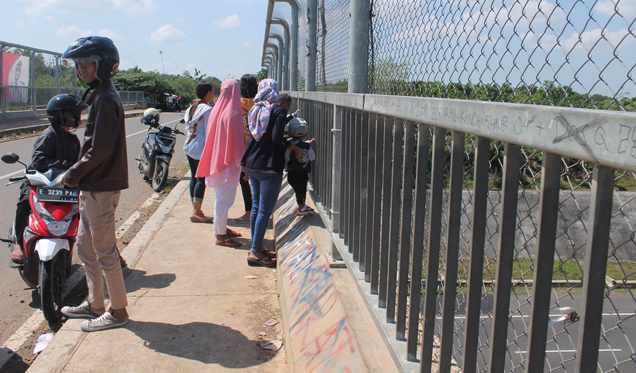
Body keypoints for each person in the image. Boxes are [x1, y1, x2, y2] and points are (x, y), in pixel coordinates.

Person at [59, 36, 129, 332]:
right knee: (86, 249)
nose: (82, 69)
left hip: (100, 188)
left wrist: (71, 174)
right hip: (93, 187)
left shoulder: (105, 97)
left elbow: (98, 150)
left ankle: (118, 311)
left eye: (88, 63)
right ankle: (95, 303)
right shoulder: (99, 95)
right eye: (78, 64)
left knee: (104, 251)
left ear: (103, 65)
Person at [10, 94, 84, 266]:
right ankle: (19, 243)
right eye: (75, 113)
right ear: (64, 115)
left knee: (80, 206)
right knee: (24, 203)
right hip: (41, 182)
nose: (78, 117)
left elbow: (79, 161)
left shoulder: (73, 139)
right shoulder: (48, 136)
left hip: (63, 184)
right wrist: (65, 164)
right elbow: (39, 161)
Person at [241, 79, 306, 267]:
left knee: (256, 207)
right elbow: (277, 139)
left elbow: (253, 138)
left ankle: (257, 247)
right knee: (264, 210)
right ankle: (255, 252)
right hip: (269, 166)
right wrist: (292, 146)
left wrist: (244, 162)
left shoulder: (255, 110)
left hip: (253, 164)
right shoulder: (277, 111)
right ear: (274, 91)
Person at [196, 79, 247, 247]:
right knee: (224, 201)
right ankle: (220, 235)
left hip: (216, 160)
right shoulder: (234, 113)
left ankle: (221, 228)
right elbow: (238, 142)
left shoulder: (216, 109)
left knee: (220, 198)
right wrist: (244, 166)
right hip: (228, 163)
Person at [183, 81, 215, 223]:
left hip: (189, 146)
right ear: (208, 92)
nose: (214, 93)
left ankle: (195, 209)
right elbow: (209, 131)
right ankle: (197, 211)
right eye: (213, 91)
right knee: (201, 179)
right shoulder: (207, 109)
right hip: (200, 148)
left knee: (194, 178)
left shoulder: (192, 107)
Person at [233, 74, 258, 223]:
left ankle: (248, 211)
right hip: (257, 146)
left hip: (241, 147)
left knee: (244, 180)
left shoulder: (237, 103)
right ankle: (258, 210)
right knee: (257, 179)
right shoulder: (259, 102)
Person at [285, 117, 317, 216]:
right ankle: (301, 207)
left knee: (298, 190)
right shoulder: (302, 146)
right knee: (301, 190)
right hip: (300, 173)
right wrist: (315, 147)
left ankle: (301, 205)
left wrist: (308, 143)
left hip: (291, 172)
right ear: (306, 134)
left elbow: (298, 144)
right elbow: (309, 156)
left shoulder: (289, 143)